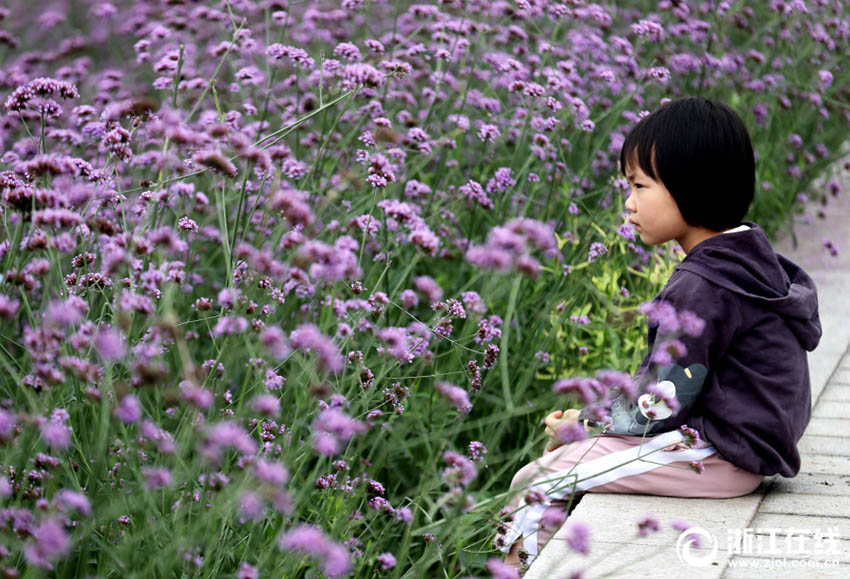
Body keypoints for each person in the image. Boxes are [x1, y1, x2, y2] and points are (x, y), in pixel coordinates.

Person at [498, 96, 822, 567]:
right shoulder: (748, 260)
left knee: (539, 480)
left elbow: (659, 403)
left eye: (639, 186)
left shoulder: (704, 285)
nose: (628, 204)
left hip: (721, 456)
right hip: (739, 444)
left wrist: (583, 424)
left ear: (691, 188)